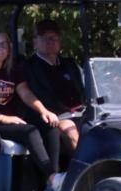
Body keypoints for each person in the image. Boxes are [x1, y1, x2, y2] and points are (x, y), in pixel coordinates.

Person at [0, 31, 65, 191]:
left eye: (4, 44)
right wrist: (4, 118)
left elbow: (25, 94)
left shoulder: (12, 70)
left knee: (51, 126)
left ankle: (52, 181)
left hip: (9, 123)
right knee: (30, 131)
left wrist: (44, 111)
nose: (0, 48)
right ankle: (53, 177)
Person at [24, 20, 85, 151]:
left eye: (54, 38)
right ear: (35, 42)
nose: (50, 41)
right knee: (70, 131)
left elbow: (85, 89)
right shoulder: (28, 67)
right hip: (51, 117)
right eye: (45, 38)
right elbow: (34, 97)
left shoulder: (70, 64)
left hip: (80, 114)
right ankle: (89, 171)